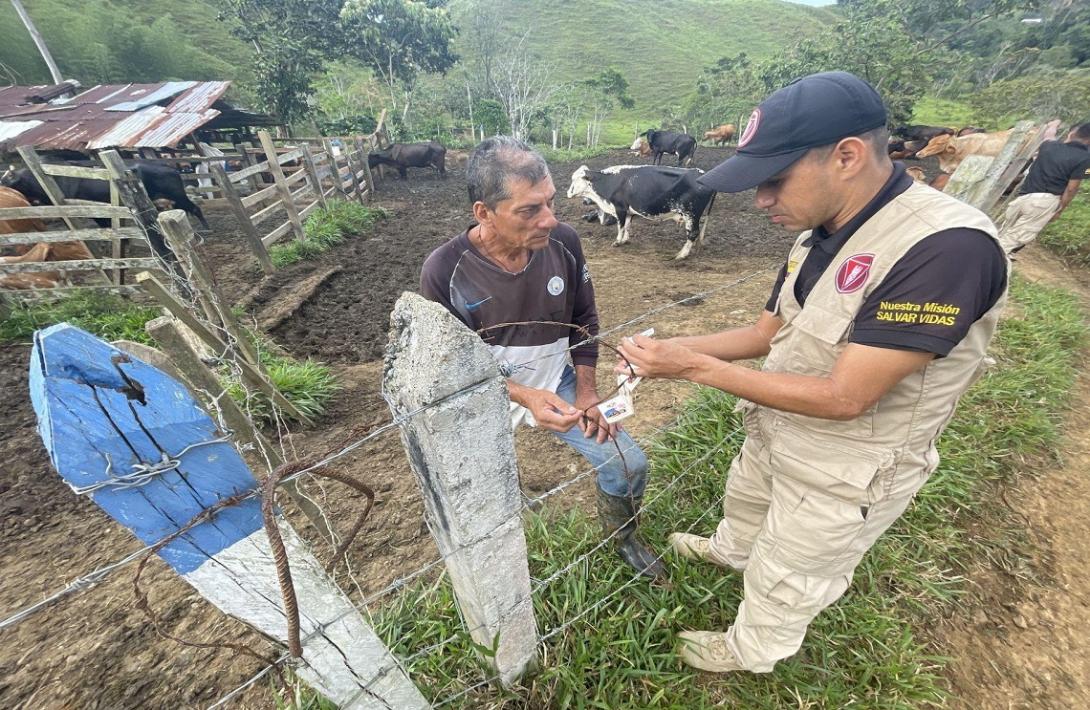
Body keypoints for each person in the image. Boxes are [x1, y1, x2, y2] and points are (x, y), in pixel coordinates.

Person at [615, 71, 1009, 673]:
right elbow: (762, 334)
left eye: (773, 181)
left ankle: (752, 649)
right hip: (781, 423)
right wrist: (667, 347)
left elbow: (847, 397)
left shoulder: (945, 248)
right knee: (747, 497)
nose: (762, 200)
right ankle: (731, 549)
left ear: (846, 156)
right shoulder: (815, 233)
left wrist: (691, 366)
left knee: (794, 563)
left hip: (849, 459)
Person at [419, 135, 665, 578]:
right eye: (529, 210)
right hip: (482, 394)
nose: (549, 220)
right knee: (481, 490)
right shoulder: (444, 271)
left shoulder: (565, 243)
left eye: (550, 202)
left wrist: (586, 392)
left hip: (557, 380)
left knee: (628, 464)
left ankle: (624, 538)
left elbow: (584, 319)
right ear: (484, 213)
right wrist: (519, 394)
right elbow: (445, 369)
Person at [998, 122, 1090, 255]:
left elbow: (1048, 135)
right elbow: (1071, 189)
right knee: (1012, 241)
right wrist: (1060, 209)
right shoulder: (1085, 159)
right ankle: (984, 263)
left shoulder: (1049, 145)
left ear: (1072, 133)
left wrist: (1053, 125)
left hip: (1023, 197)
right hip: (1044, 202)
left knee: (1004, 232)